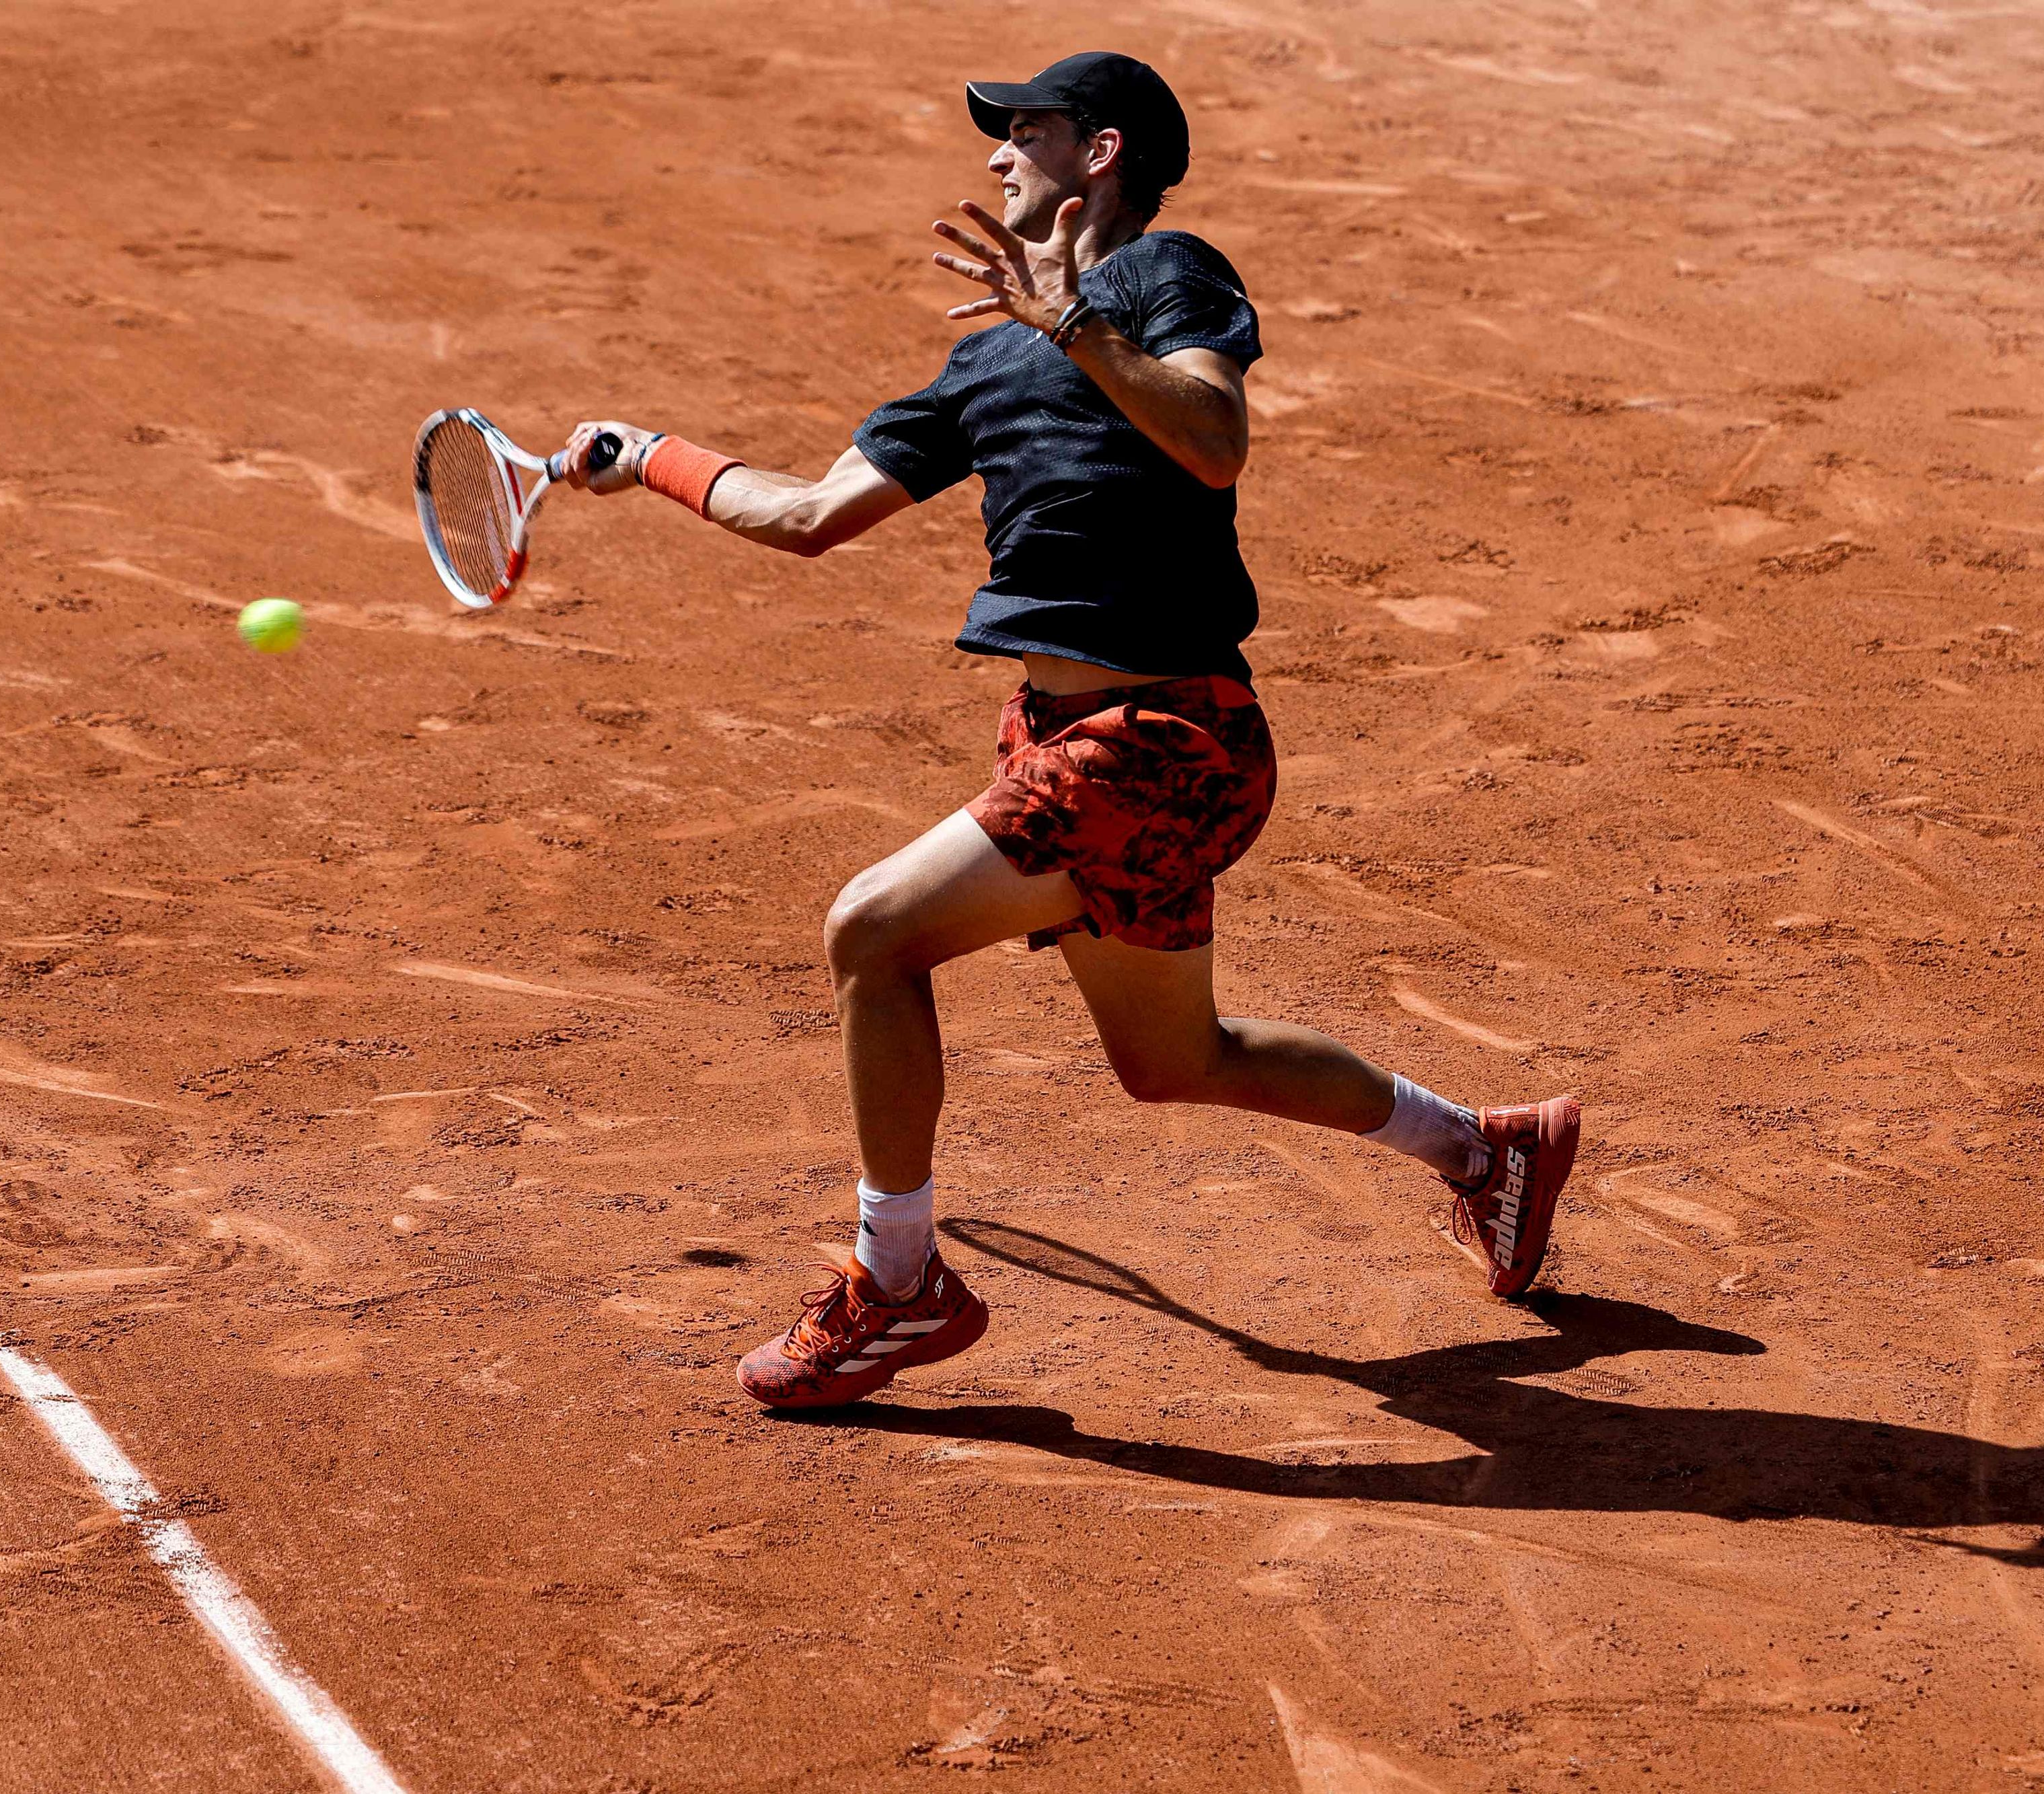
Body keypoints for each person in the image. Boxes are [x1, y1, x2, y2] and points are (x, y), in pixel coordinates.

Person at [558, 51, 1580, 1410]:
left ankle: (897, 1281)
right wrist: (654, 455)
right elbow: (806, 515)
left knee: (871, 927)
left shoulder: (1164, 277)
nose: (993, 156)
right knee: (1174, 1062)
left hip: (1168, 740)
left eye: (1020, 131)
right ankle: (1481, 1153)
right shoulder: (978, 361)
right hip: (1058, 739)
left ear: (1098, 153)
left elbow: (1212, 440)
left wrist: (1077, 333)